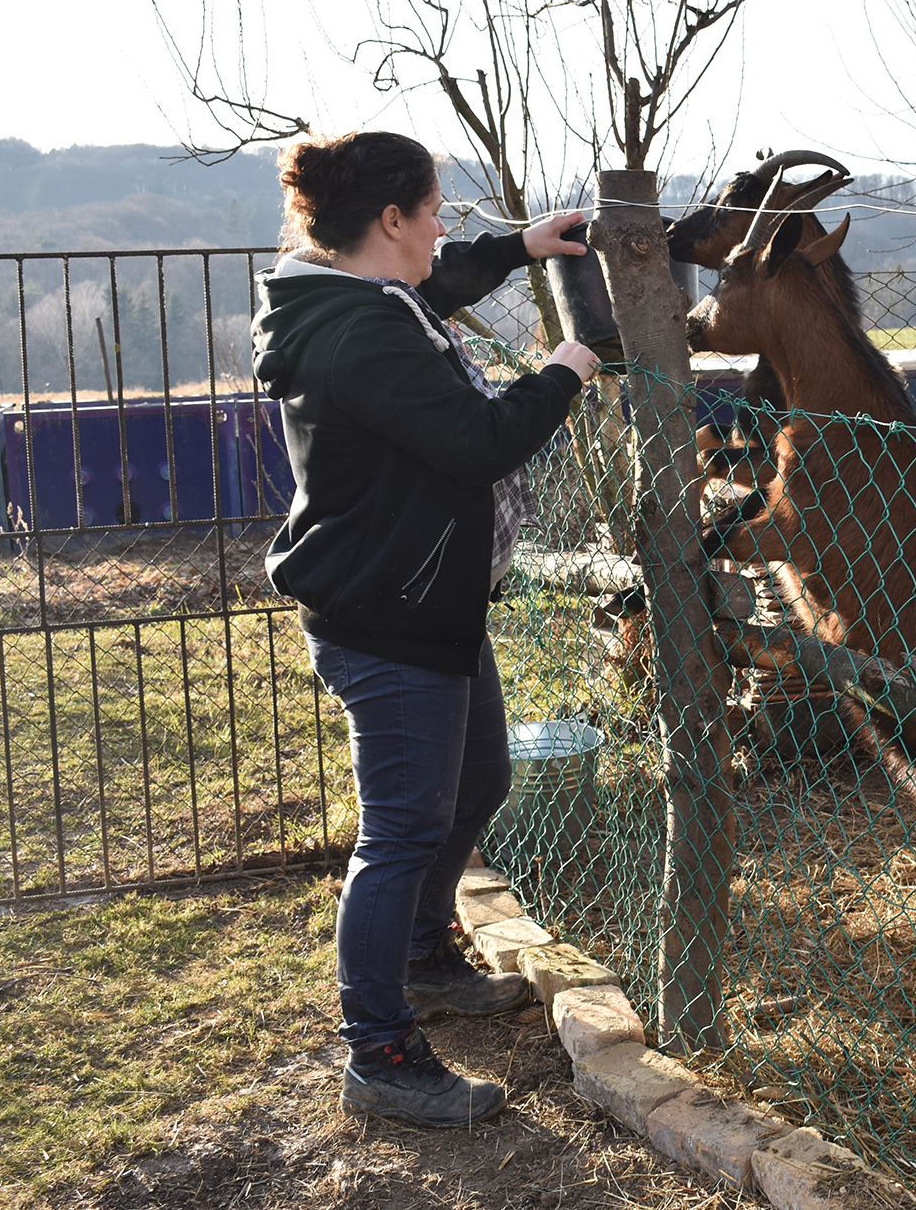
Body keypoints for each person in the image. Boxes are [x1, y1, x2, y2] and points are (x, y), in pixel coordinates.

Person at [251, 130, 600, 1128]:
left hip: (423, 603)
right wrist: (567, 367)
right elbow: (475, 440)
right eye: (435, 208)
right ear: (389, 221)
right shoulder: (361, 331)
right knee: (399, 832)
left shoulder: (358, 297)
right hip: (389, 616)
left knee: (478, 780)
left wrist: (519, 247)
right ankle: (380, 1053)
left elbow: (432, 285)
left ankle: (418, 953)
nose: (444, 224)